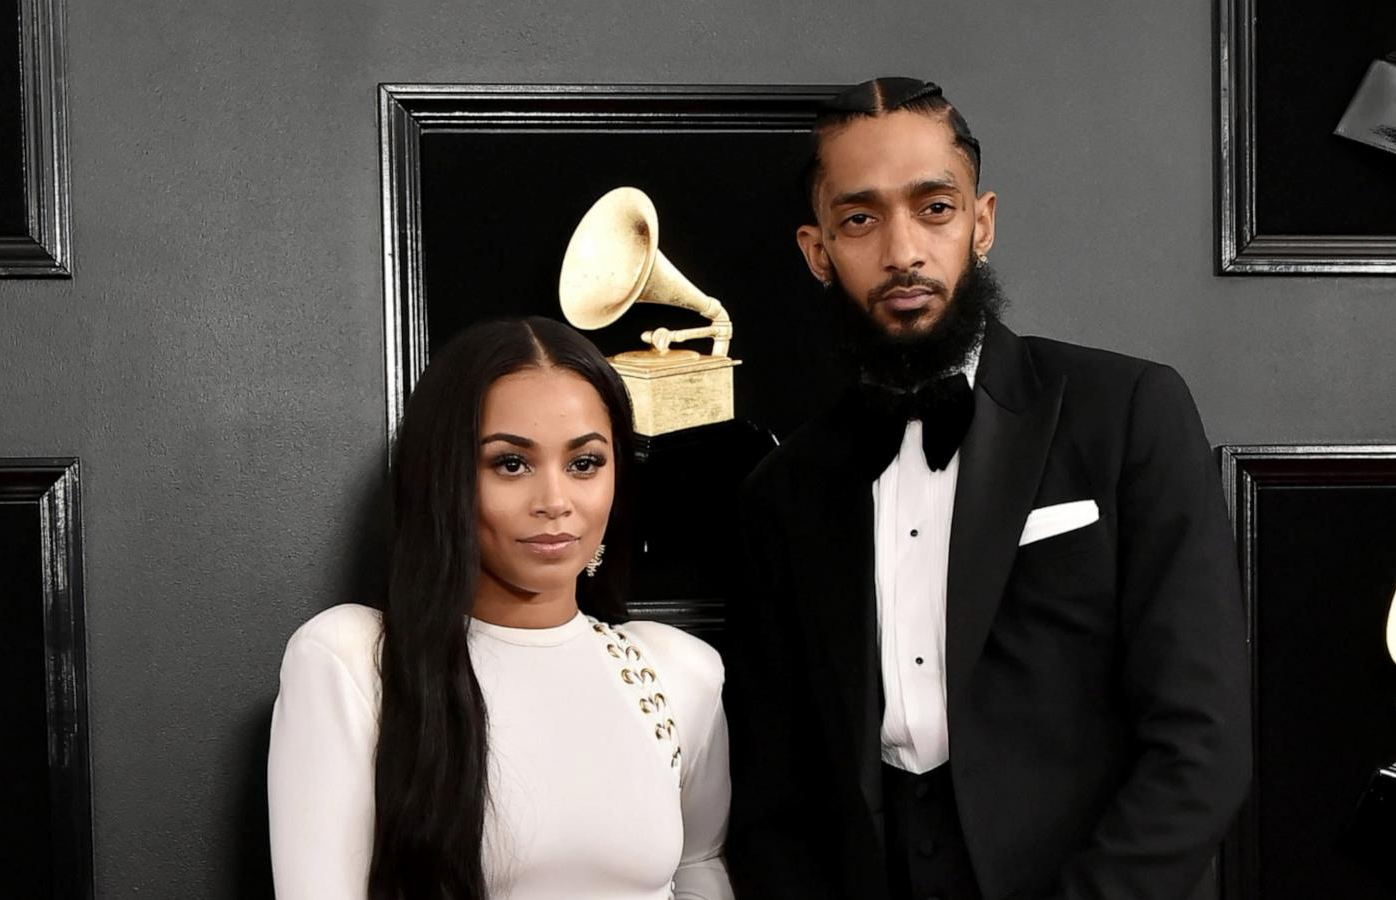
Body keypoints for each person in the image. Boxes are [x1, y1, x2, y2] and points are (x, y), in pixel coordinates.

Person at [724, 78, 1251, 900]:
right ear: (816, 251)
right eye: (861, 218)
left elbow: (1202, 742)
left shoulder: (1128, 413)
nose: (903, 250)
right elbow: (772, 789)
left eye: (934, 207)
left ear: (982, 222)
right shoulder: (779, 494)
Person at [267, 317, 731, 900]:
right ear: (446, 477)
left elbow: (699, 865)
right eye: (511, 464)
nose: (555, 502)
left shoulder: (677, 673)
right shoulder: (351, 661)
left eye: (584, 463)